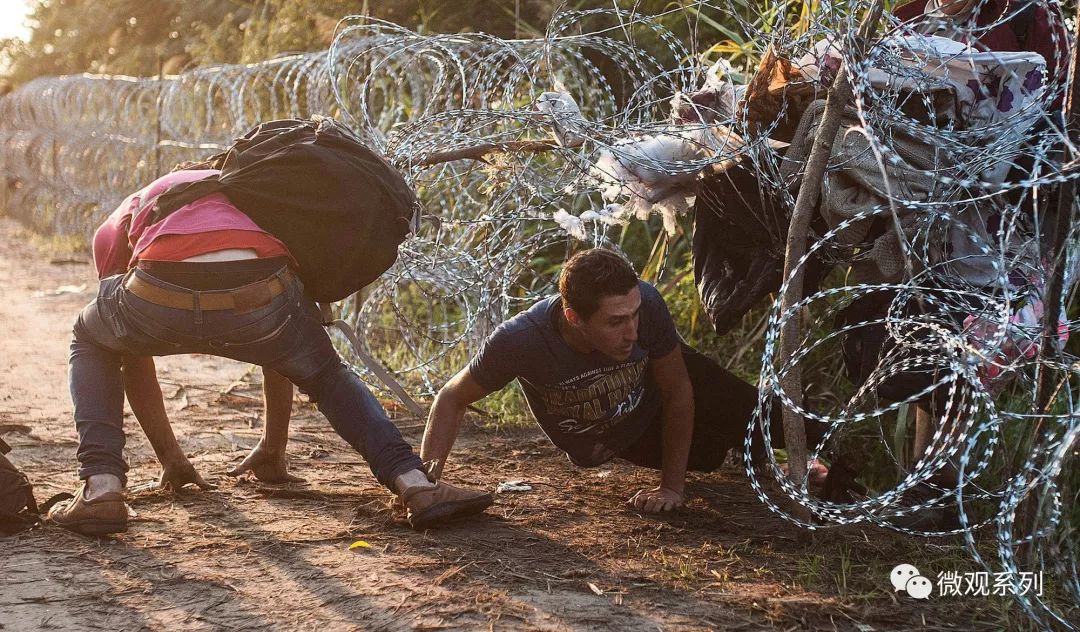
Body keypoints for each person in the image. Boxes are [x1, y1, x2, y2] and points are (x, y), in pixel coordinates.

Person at [47, 168, 493, 535]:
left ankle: (102, 487)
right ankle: (415, 483)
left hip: (158, 287)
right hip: (261, 293)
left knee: (92, 337)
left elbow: (130, 356)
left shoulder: (128, 213)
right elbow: (283, 348)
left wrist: (172, 459)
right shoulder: (253, 192)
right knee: (327, 375)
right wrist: (274, 449)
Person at [421, 248, 822, 513]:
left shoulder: (644, 304)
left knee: (754, 409)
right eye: (615, 322)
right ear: (574, 317)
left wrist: (671, 489)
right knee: (708, 455)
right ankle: (756, 455)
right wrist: (424, 485)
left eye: (634, 314)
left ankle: (820, 449)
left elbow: (678, 390)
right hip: (619, 434)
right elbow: (451, 398)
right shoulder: (520, 340)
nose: (632, 332)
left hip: (658, 391)